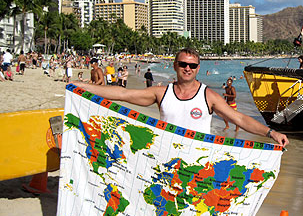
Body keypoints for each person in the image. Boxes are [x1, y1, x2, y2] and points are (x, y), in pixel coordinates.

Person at [74, 48, 288, 146]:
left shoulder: (209, 96)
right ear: (175, 66)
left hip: (198, 163)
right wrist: (83, 86)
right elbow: (122, 93)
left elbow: (239, 119)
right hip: (165, 159)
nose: (187, 68)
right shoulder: (161, 93)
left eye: (192, 65)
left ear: (198, 68)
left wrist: (270, 132)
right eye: (183, 64)